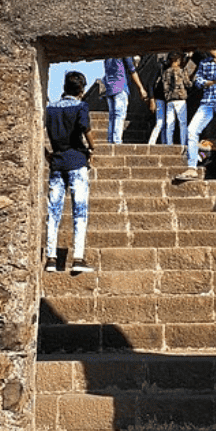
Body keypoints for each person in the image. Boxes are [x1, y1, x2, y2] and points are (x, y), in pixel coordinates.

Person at [44, 70, 96, 274]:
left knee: (54, 211)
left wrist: (46, 153)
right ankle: (78, 257)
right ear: (82, 90)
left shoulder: (51, 109)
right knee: (79, 211)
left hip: (57, 162)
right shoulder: (81, 106)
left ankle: (50, 258)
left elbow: (37, 130)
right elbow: (86, 129)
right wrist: (93, 148)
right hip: (77, 161)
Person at [175, 48, 216, 185]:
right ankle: (191, 168)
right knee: (191, 130)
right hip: (207, 102)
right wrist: (215, 82)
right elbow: (197, 82)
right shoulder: (204, 62)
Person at [102, 56, 149, 144]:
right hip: (120, 87)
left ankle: (111, 140)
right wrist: (141, 88)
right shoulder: (124, 54)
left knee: (112, 117)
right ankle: (117, 141)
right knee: (119, 116)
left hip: (110, 88)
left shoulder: (107, 57)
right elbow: (132, 71)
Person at [160, 51, 192, 148]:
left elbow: (164, 86)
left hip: (170, 100)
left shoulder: (166, 72)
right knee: (182, 123)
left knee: (170, 123)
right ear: (178, 60)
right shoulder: (182, 71)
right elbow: (188, 84)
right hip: (180, 99)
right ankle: (183, 144)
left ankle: (169, 143)